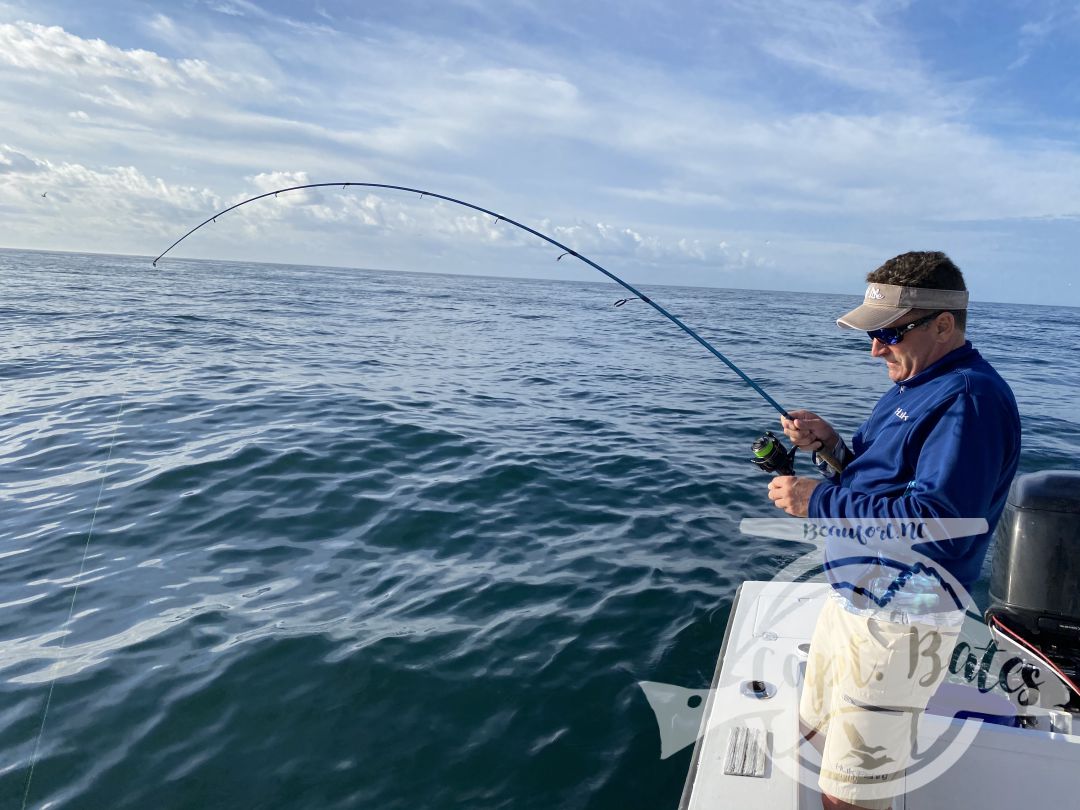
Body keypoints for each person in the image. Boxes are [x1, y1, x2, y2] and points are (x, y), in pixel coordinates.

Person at [766, 251, 1021, 810]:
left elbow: (943, 526)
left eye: (891, 333)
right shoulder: (914, 383)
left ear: (943, 324)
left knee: (852, 794)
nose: (876, 348)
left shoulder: (969, 401)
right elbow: (887, 482)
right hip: (853, 598)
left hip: (901, 619)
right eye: (873, 334)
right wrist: (831, 449)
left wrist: (819, 502)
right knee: (811, 732)